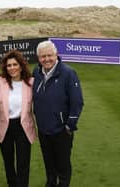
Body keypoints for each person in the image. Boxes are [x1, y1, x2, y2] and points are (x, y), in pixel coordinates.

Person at [32, 40, 84, 187]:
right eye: (43, 56)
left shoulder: (68, 73)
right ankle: (50, 183)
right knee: (48, 162)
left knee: (63, 164)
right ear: (38, 58)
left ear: (56, 55)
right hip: (43, 129)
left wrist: (69, 125)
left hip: (62, 130)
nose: (46, 59)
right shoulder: (36, 72)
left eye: (49, 55)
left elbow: (77, 102)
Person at [0, 50, 37, 187]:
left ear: (21, 65)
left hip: (23, 126)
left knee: (23, 163)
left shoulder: (31, 82)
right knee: (8, 162)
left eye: (15, 64)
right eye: (9, 65)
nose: (12, 68)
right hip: (5, 127)